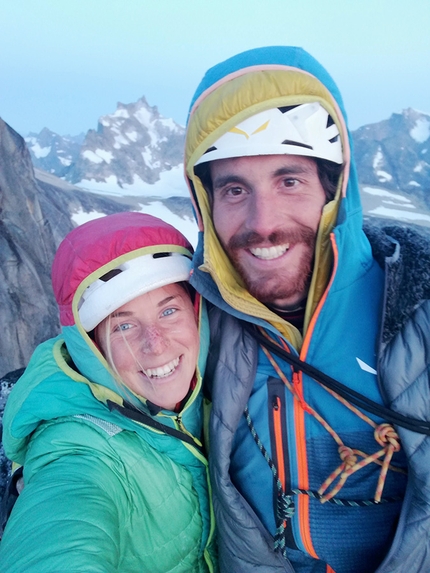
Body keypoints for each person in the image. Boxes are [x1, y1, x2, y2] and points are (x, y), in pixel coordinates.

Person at [184, 46, 430, 573]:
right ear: (206, 207)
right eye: (233, 189)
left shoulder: (417, 306)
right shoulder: (190, 323)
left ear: (334, 188)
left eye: (289, 180)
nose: (263, 222)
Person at [0, 212, 217, 573]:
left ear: (197, 315)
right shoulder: (80, 448)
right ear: (92, 348)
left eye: (168, 310)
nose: (155, 344)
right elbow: (59, 528)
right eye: (124, 326)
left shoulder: (223, 387)